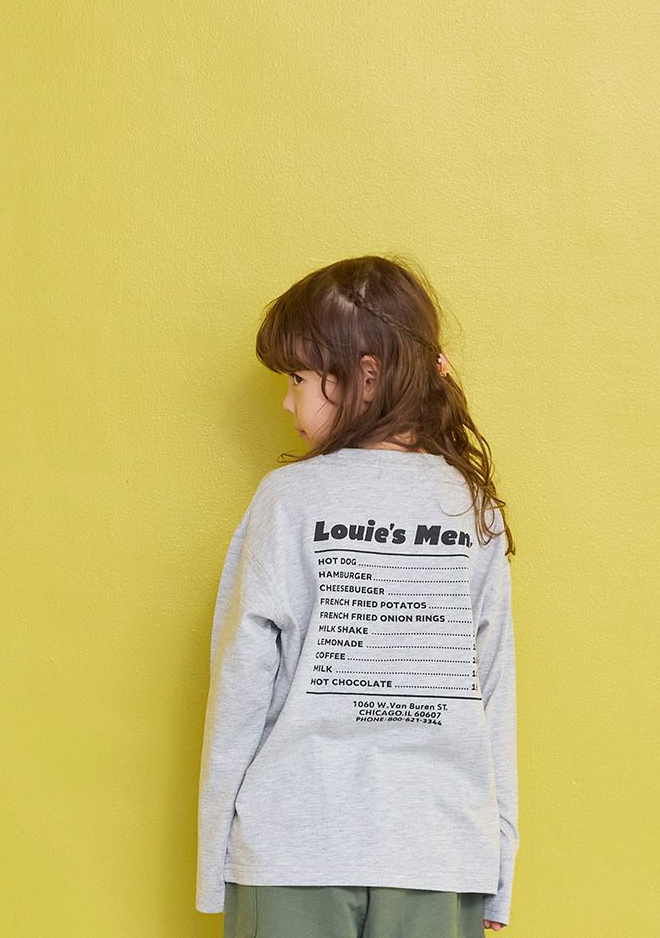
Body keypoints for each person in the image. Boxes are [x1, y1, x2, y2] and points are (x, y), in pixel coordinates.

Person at [195, 255, 520, 937]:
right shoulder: (470, 506)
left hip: (292, 850)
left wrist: (215, 864)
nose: (287, 402)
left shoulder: (287, 501)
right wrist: (497, 871)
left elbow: (240, 690)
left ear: (365, 376)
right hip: (438, 853)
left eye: (297, 379)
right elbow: (494, 693)